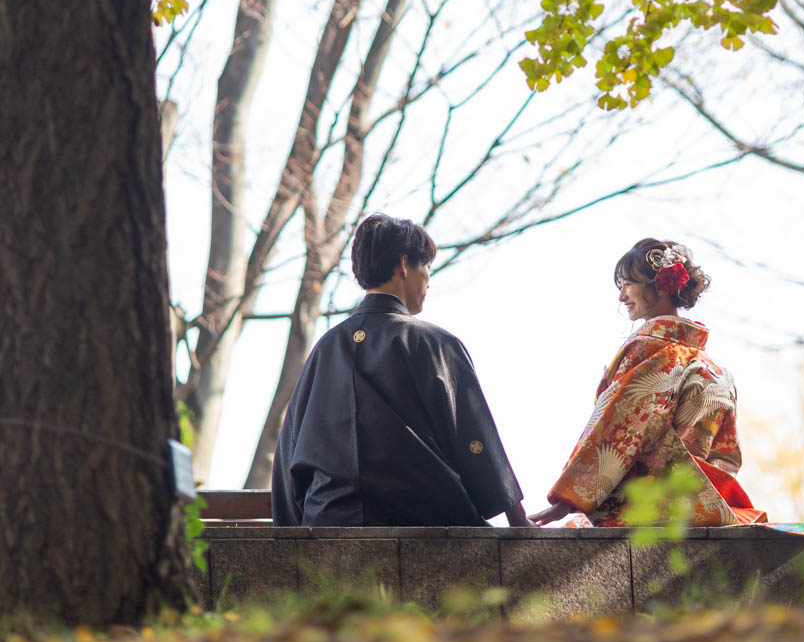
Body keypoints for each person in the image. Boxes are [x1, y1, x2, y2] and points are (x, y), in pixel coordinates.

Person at [272, 213, 527, 527]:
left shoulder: (326, 346)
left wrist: (291, 536)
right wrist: (518, 522)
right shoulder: (436, 343)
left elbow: (291, 447)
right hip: (425, 522)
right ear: (404, 265)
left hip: (328, 519)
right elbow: (475, 440)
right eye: (427, 266)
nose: (428, 280)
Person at [530, 237, 765, 528]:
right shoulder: (715, 370)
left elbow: (621, 422)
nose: (621, 297)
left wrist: (570, 498)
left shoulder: (649, 349)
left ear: (661, 284)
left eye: (628, 284)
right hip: (708, 506)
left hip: (652, 505)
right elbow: (725, 455)